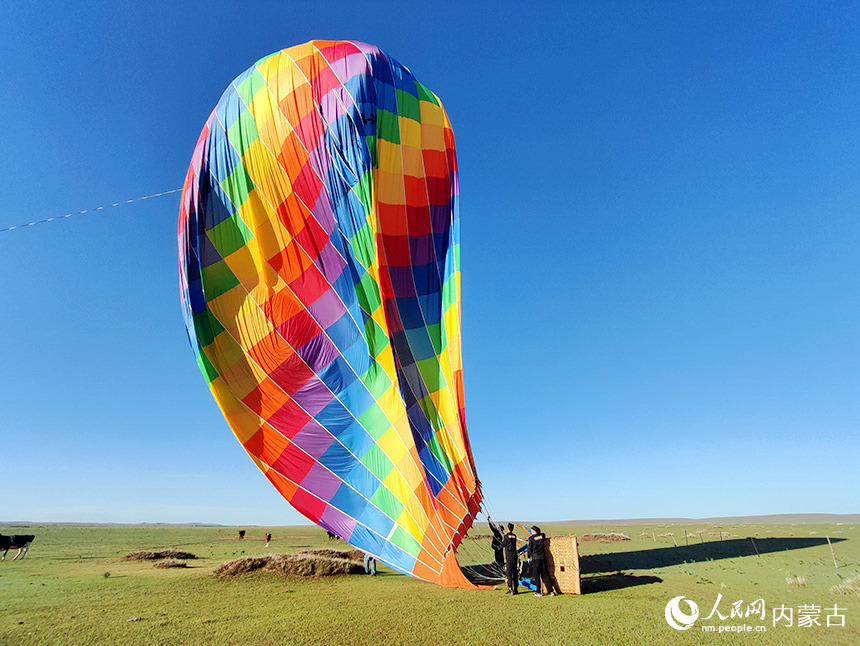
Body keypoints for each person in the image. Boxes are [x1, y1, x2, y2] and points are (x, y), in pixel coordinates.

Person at [527, 525, 556, 597]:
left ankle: (538, 592)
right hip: (543, 558)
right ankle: (551, 591)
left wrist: (528, 556)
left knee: (536, 576)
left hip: (536, 559)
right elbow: (543, 534)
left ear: (534, 531)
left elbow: (529, 549)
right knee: (545, 575)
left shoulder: (531, 539)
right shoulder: (541, 536)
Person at [501, 523, 519, 594]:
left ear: (508, 528)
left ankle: (510, 589)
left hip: (509, 557)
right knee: (515, 573)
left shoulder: (506, 536)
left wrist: (498, 547)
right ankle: (516, 589)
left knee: (509, 573)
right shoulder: (514, 536)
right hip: (515, 556)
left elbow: (503, 544)